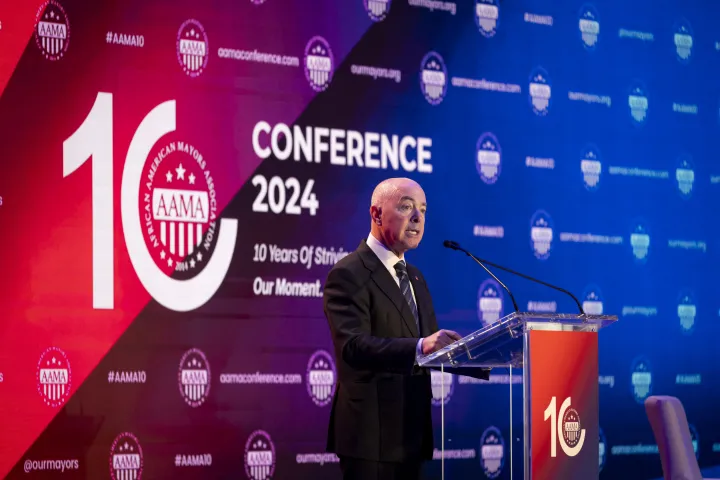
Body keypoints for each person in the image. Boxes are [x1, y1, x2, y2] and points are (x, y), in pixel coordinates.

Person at [323, 177, 482, 480]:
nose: (418, 218)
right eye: (406, 207)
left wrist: (475, 354)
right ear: (377, 214)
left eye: (423, 209)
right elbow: (353, 347)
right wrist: (421, 346)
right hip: (371, 436)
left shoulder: (417, 278)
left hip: (411, 432)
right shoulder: (348, 273)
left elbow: (433, 347)